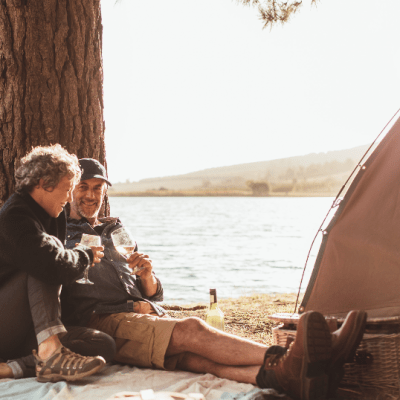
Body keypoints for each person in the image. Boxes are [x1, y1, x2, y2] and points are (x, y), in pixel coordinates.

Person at [60, 158, 367, 400]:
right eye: (83, 187)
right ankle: (297, 356)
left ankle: (286, 376)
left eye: (97, 188)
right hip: (105, 320)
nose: (91, 195)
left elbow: (152, 295)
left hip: (144, 314)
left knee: (198, 361)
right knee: (192, 329)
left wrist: (148, 276)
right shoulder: (61, 236)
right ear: (70, 189)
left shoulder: (115, 229)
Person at [0, 146, 116, 382]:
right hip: (5, 321)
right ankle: (51, 353)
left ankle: (13, 368)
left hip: (29, 331)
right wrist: (84, 254)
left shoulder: (54, 214)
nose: (69, 197)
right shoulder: (15, 216)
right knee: (47, 257)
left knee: (102, 343)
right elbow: (53, 266)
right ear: (43, 183)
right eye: (66, 189)